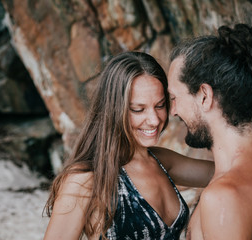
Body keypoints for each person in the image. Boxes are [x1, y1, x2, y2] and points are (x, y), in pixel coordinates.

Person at [43, 51, 214, 240]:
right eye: (138, 109)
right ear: (114, 110)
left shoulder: (163, 161)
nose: (154, 120)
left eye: (160, 105)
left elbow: (231, 172)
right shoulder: (85, 180)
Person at [167, 23, 252, 239]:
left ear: (204, 95)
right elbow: (167, 164)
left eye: (174, 98)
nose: (173, 111)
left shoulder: (222, 197)